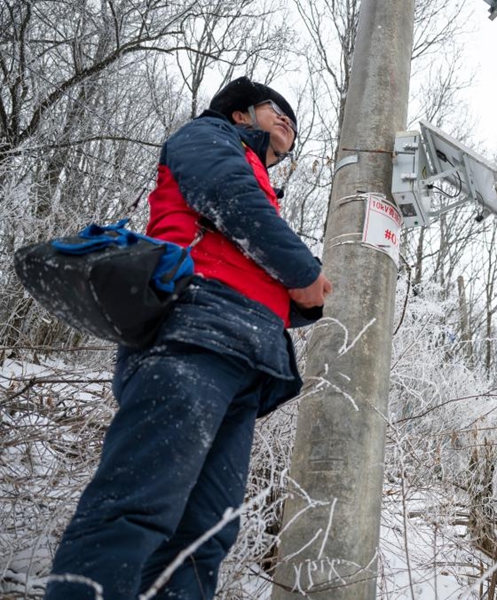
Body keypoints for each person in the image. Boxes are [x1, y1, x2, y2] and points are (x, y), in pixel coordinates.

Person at [45, 77, 332, 600]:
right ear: (241, 115)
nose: (289, 120)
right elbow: (227, 196)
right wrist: (302, 271)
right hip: (195, 336)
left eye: (295, 119)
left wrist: (302, 298)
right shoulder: (208, 137)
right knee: (135, 507)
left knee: (203, 538)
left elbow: (249, 263)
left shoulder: (259, 183)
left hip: (245, 360)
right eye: (277, 109)